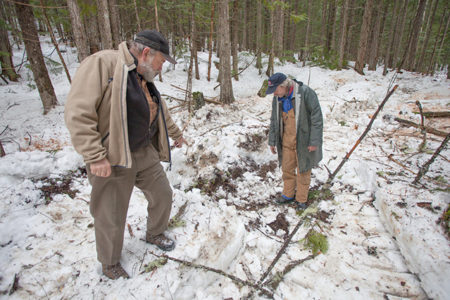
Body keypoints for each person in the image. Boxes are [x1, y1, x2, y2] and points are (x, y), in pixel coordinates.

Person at [65, 30, 187, 280]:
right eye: (161, 61)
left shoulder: (144, 76)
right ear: (146, 53)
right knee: (110, 212)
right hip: (113, 155)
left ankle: (154, 232)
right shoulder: (104, 64)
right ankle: (109, 262)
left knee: (163, 193)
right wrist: (94, 155)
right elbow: (78, 112)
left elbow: (159, 110)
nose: (161, 67)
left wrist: (176, 133)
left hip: (143, 150)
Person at [267, 73, 323, 210]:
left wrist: (314, 141)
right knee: (287, 168)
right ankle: (288, 194)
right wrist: (272, 140)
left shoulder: (306, 93)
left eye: (275, 90)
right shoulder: (277, 98)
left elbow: (317, 119)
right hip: (286, 140)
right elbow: (274, 120)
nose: (274, 93)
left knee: (303, 170)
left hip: (304, 141)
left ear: (283, 86)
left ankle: (301, 199)